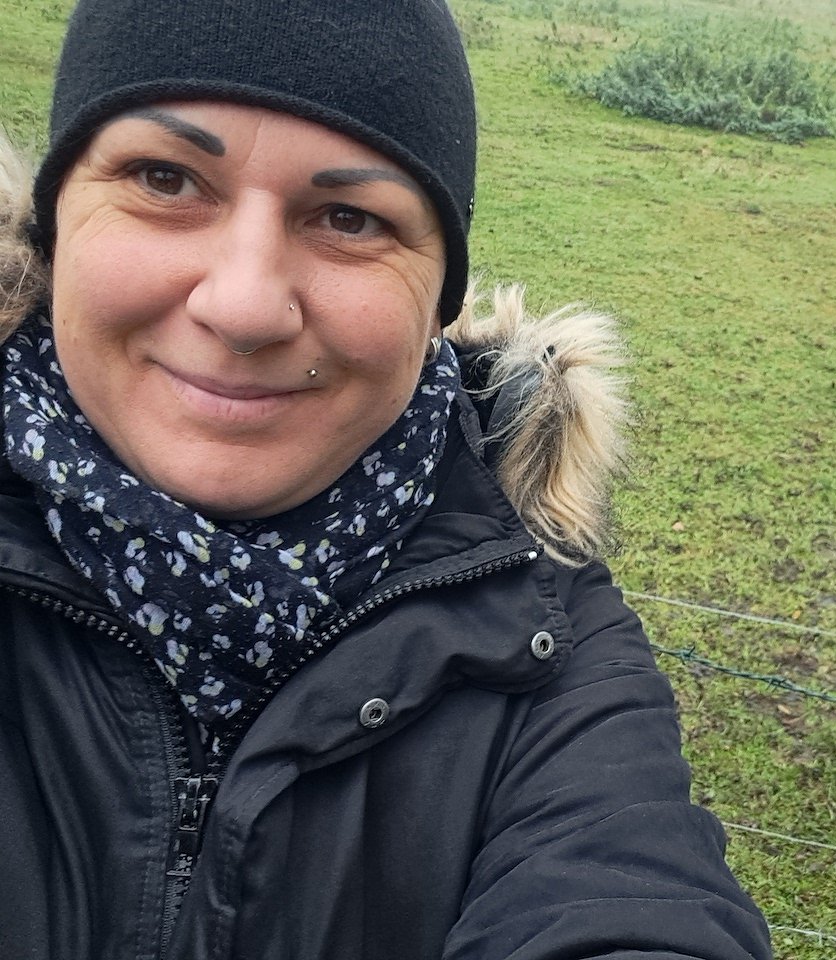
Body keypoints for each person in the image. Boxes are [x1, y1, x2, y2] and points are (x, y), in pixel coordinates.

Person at [0, 1, 774, 957]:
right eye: (165, 179)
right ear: (53, 224)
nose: (243, 307)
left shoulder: (542, 640)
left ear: (437, 300)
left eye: (350, 217)